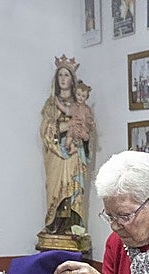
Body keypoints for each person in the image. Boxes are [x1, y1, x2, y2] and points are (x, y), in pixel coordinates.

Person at [40, 57, 92, 234]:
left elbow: (87, 128)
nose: (63, 79)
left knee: (73, 187)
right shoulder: (51, 103)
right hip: (56, 153)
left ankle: (73, 226)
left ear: (72, 79)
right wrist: (63, 126)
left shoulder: (80, 105)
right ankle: (54, 223)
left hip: (74, 154)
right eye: (60, 75)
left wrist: (80, 133)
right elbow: (45, 130)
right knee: (55, 187)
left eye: (67, 75)